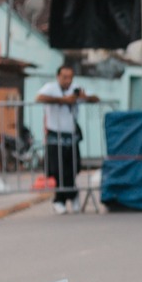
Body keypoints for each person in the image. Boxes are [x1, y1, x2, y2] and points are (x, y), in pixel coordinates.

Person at [35, 63, 100, 214]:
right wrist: (63, 100)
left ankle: (72, 195)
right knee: (57, 170)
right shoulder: (50, 88)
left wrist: (85, 97)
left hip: (71, 135)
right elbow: (39, 98)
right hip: (54, 134)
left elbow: (96, 98)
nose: (67, 81)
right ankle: (61, 199)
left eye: (70, 77)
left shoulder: (76, 88)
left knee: (73, 168)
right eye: (64, 77)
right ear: (58, 77)